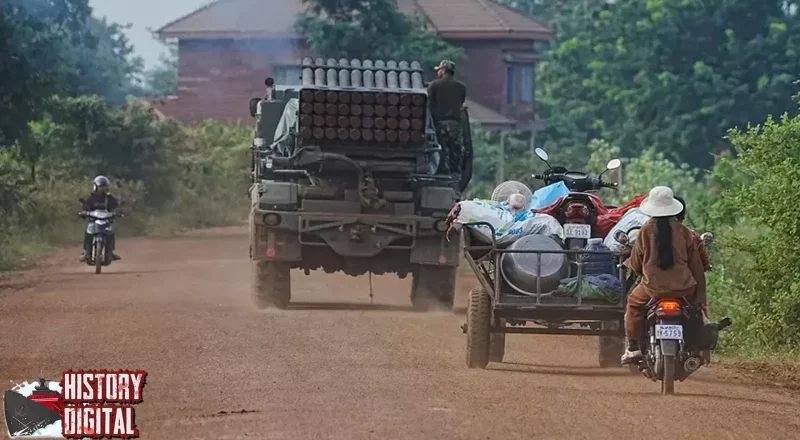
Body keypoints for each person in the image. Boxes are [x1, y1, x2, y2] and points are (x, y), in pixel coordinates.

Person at [621, 186, 707, 364]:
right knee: (696, 311)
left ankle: (633, 348)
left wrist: (640, 270)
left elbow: (636, 264)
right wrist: (699, 296)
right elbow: (697, 267)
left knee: (633, 304)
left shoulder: (645, 231)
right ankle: (696, 347)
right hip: (684, 289)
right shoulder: (684, 232)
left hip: (653, 289)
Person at [427, 60, 467, 182]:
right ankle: (455, 174)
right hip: (455, 124)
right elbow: (461, 104)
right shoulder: (461, 87)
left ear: (443, 70)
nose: (438, 72)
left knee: (442, 150)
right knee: (456, 150)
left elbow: (429, 105)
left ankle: (442, 174)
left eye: (439, 70)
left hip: (440, 123)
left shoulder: (434, 85)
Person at [79, 176, 121, 262]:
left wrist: (117, 212)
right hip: (93, 221)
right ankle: (85, 252)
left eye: (104, 187)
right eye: (101, 187)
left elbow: (116, 207)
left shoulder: (109, 198)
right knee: (88, 234)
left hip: (106, 221)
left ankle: (112, 251)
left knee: (111, 233)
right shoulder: (91, 198)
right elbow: (86, 206)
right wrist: (84, 212)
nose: (102, 189)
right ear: (96, 187)